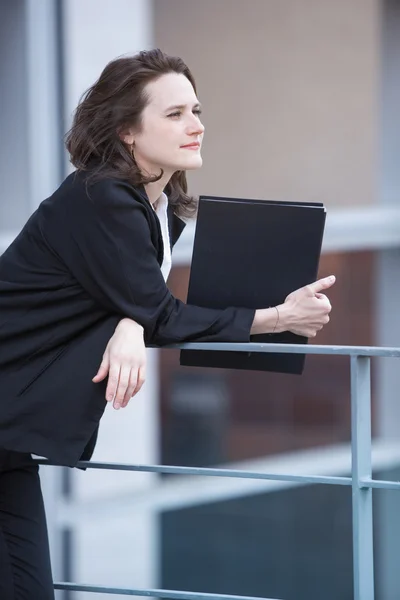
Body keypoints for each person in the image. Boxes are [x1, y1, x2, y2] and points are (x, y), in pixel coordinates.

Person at [0, 48, 334, 598]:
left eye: (197, 111)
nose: (196, 126)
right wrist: (279, 318)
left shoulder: (159, 210)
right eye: (175, 114)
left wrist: (132, 323)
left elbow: (134, 298)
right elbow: (156, 307)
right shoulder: (100, 198)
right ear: (128, 130)